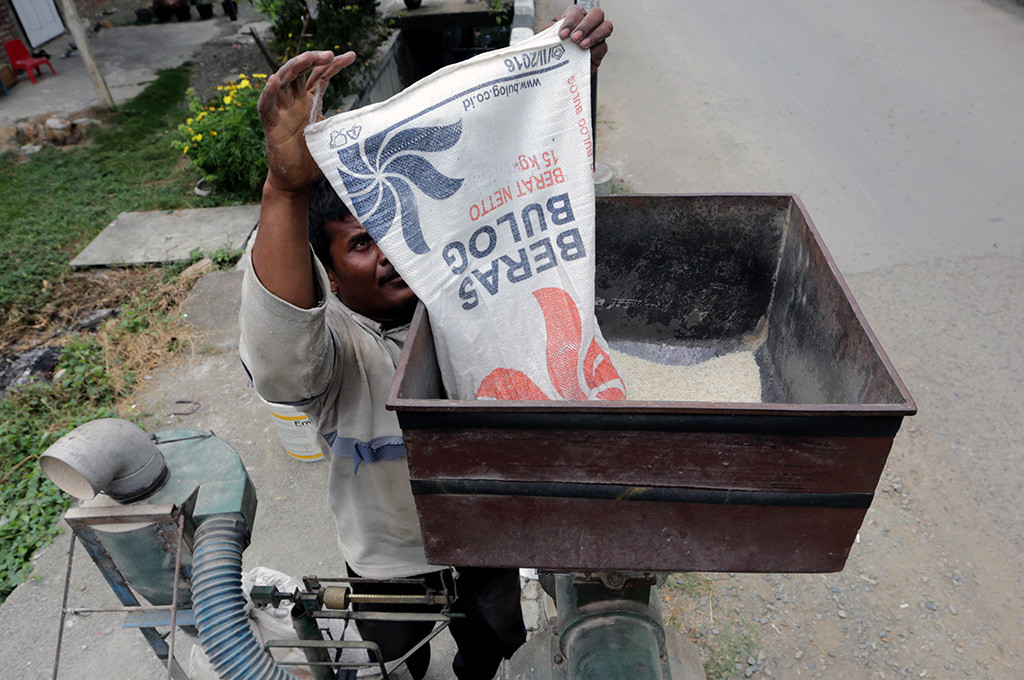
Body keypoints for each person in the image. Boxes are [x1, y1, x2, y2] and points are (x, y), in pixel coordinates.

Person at [238, 6, 612, 680]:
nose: (389, 253)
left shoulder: (464, 294)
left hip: (484, 537)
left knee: (491, 640)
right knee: (394, 652)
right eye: (360, 242)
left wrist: (569, 84)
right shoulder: (336, 353)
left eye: (396, 226)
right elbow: (279, 364)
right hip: (386, 554)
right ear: (327, 270)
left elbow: (535, 198)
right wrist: (285, 189)